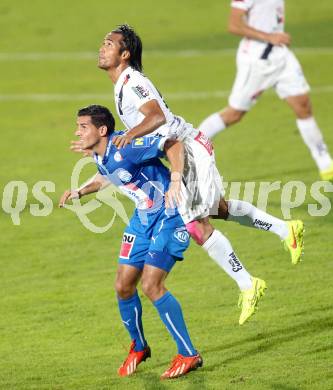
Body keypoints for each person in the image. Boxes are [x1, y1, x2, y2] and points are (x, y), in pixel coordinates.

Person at [85, 24, 305, 326]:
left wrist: (131, 136)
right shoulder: (121, 86)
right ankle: (286, 230)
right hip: (182, 149)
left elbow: (157, 116)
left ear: (124, 54)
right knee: (219, 210)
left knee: (195, 224)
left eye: (109, 43)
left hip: (188, 149)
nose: (102, 47)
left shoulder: (132, 81)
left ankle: (248, 284)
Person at [59, 105, 203, 379]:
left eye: (83, 127)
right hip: (142, 217)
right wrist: (81, 191)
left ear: (102, 130)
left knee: (151, 284)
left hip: (170, 213)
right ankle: (139, 346)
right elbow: (107, 175)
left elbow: (172, 143)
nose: (77, 132)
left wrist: (175, 179)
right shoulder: (99, 153)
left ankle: (189, 353)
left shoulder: (129, 144)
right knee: (123, 285)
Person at [198, 0, 333, 181]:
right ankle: (192, 145)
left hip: (281, 55)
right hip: (257, 60)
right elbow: (234, 24)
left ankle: (326, 165)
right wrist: (269, 37)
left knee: (303, 105)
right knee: (234, 114)